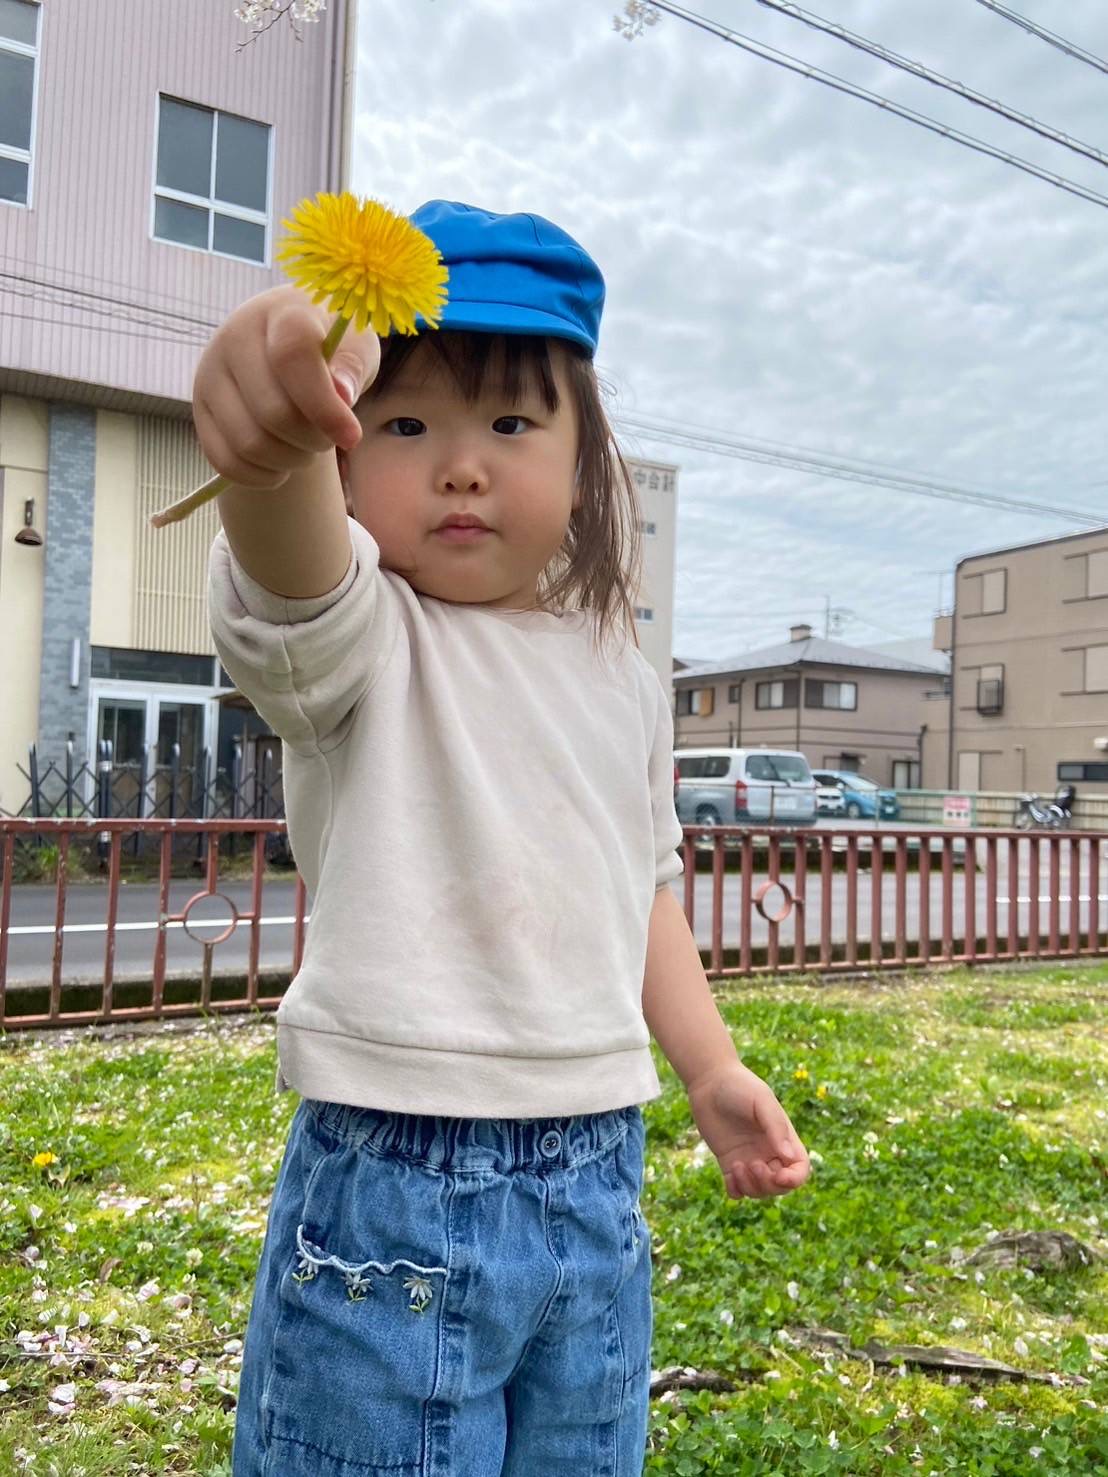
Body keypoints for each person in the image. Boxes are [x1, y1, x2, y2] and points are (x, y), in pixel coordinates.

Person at [202, 199, 811, 1477]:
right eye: (404, 426)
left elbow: (643, 884)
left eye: (512, 425)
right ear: (347, 463)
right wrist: (275, 439)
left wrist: (709, 1070)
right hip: (393, 1187)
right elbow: (289, 563)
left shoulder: (620, 668)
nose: (461, 466)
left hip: (598, 1179)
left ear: (587, 463)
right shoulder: (362, 636)